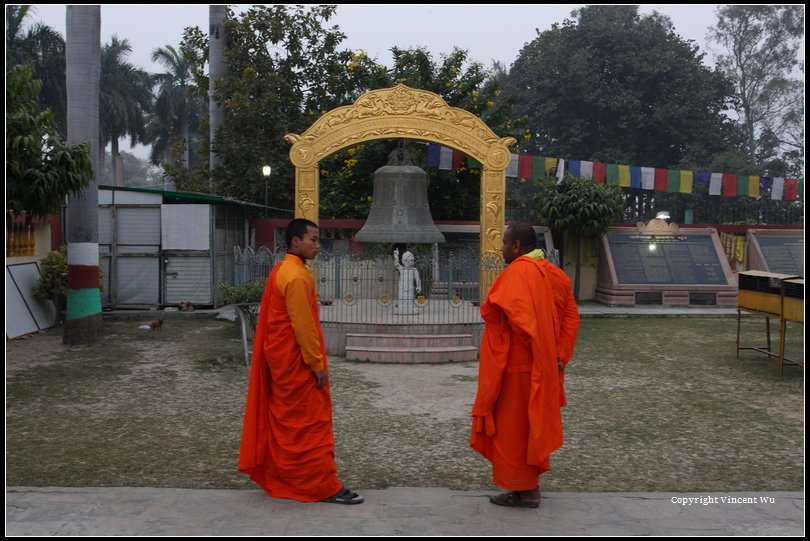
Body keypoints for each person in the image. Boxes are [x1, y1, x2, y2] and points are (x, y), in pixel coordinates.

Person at [238, 218, 363, 505]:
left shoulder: (283, 270)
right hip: (296, 364)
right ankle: (321, 486)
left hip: (282, 362)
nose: (318, 246)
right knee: (309, 424)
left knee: (290, 425)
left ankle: (288, 478)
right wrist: (316, 364)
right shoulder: (295, 277)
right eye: (313, 239)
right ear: (296, 241)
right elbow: (302, 326)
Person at [470, 222, 580, 508]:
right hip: (542, 367)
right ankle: (523, 489)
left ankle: (527, 491)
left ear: (517, 246)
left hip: (518, 368)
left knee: (514, 431)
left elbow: (500, 315)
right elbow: (571, 316)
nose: (502, 248)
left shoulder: (518, 273)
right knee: (531, 427)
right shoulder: (554, 274)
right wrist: (559, 354)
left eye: (504, 243)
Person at [393, 248, 421, 314]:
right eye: (408, 261)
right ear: (404, 261)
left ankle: (410, 308)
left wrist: (419, 286)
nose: (410, 263)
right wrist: (396, 255)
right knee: (402, 299)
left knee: (410, 299)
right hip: (402, 288)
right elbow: (396, 264)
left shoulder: (414, 269)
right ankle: (401, 307)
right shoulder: (401, 268)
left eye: (412, 261)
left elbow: (417, 278)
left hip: (410, 288)